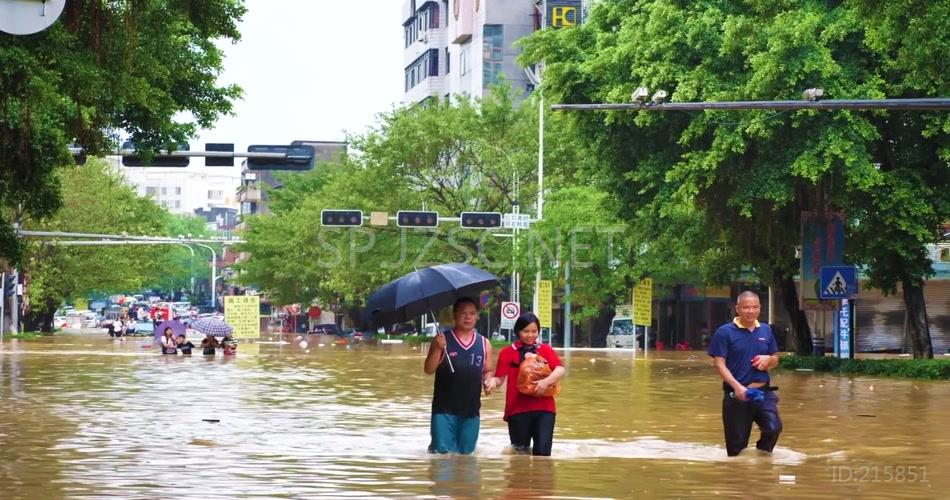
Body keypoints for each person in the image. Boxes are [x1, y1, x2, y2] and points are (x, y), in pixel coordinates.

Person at [707, 291, 782, 456]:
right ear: (737, 309)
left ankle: (762, 459)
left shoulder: (765, 330)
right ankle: (740, 474)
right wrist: (738, 387)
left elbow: (776, 359)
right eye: (746, 307)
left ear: (760, 308)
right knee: (736, 451)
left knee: (773, 428)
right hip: (736, 394)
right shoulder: (724, 332)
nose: (751, 311)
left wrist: (768, 360)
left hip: (762, 393)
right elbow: (719, 365)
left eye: (755, 307)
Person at [484, 312, 565, 456]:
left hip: (545, 409)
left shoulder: (545, 349)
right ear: (518, 331)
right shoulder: (507, 352)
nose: (530, 335)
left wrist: (545, 382)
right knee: (520, 455)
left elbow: (560, 370)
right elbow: (499, 379)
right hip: (518, 409)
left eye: (534, 331)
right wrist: (491, 382)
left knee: (543, 455)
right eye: (526, 331)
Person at [423, 297, 493, 455]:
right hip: (443, 410)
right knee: (441, 456)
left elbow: (488, 370)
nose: (468, 317)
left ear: (477, 316)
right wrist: (435, 348)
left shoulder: (484, 343)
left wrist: (489, 381)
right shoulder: (442, 340)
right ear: (454, 315)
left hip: (471, 411)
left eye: (472, 313)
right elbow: (428, 369)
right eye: (463, 313)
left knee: (467, 458)